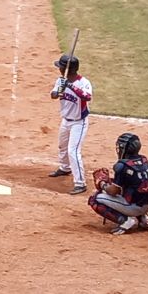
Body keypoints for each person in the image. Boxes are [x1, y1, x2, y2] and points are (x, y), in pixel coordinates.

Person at [88, 132, 148, 235]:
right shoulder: (144, 160)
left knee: (94, 199)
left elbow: (113, 192)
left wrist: (102, 184)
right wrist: (110, 181)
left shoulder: (122, 166)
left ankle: (125, 220)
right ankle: (143, 219)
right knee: (132, 189)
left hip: (134, 207)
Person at [46, 54, 92, 194]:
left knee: (73, 151)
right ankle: (65, 168)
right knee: (62, 146)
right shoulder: (61, 80)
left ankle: (80, 183)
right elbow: (53, 95)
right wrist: (58, 90)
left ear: (67, 69)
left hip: (79, 122)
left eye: (60, 66)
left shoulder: (84, 82)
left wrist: (70, 86)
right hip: (66, 120)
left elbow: (87, 97)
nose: (58, 69)